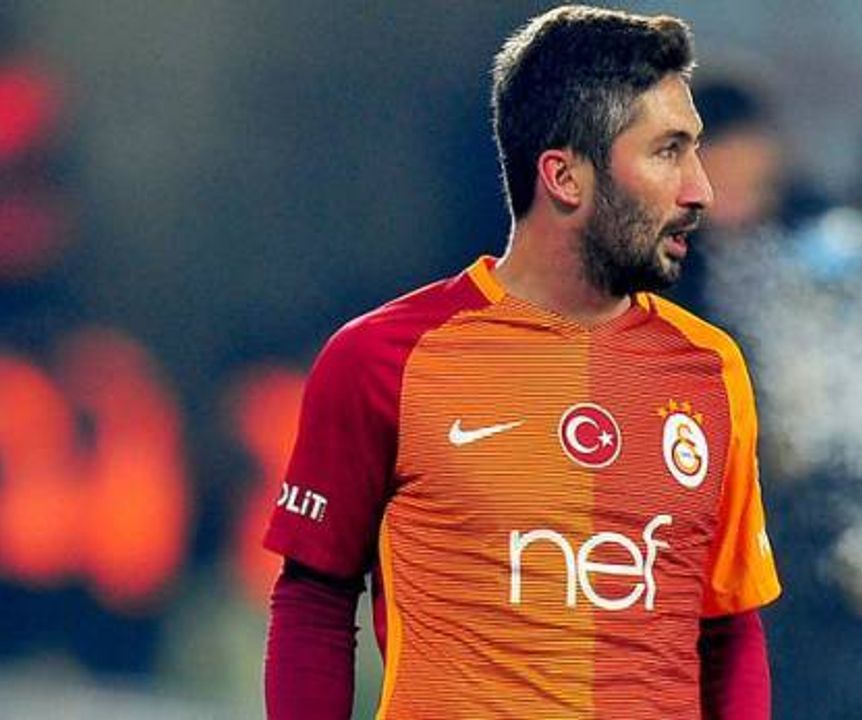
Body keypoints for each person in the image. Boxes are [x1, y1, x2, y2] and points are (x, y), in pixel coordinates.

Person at [261, 6, 780, 719]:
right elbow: (314, 600)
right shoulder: (384, 359)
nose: (700, 189)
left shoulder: (711, 369)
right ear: (564, 177)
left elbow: (728, 630)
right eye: (668, 152)